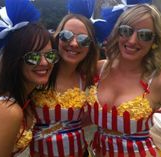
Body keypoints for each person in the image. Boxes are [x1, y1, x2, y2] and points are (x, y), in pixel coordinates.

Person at [86, 4, 161, 156]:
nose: (132, 41)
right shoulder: (99, 69)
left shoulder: (160, 82)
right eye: (126, 31)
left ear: (155, 41)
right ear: (117, 33)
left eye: (144, 35)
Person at [0, 0, 60, 157]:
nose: (44, 62)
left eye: (50, 55)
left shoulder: (21, 96)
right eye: (33, 56)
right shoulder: (8, 111)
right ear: (15, 60)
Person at [30, 14, 99, 157]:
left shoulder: (89, 76)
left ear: (90, 46)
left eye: (83, 39)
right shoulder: (41, 71)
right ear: (57, 37)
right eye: (66, 36)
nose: (74, 44)